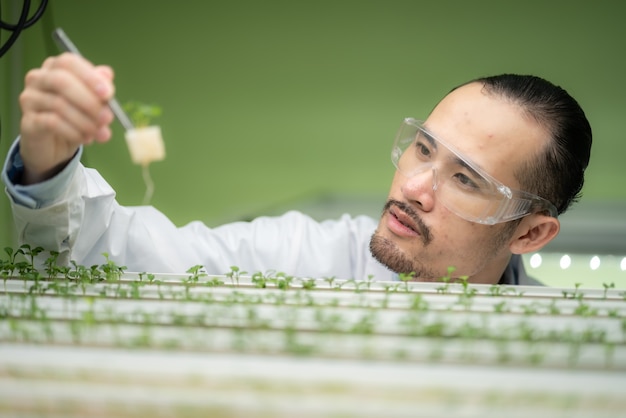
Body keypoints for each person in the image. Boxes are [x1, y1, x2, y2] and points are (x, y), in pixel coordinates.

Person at [2, 53, 592, 285]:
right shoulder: (303, 257)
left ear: (530, 232)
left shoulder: (557, 354)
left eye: (465, 179)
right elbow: (100, 257)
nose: (414, 188)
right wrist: (48, 158)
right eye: (422, 148)